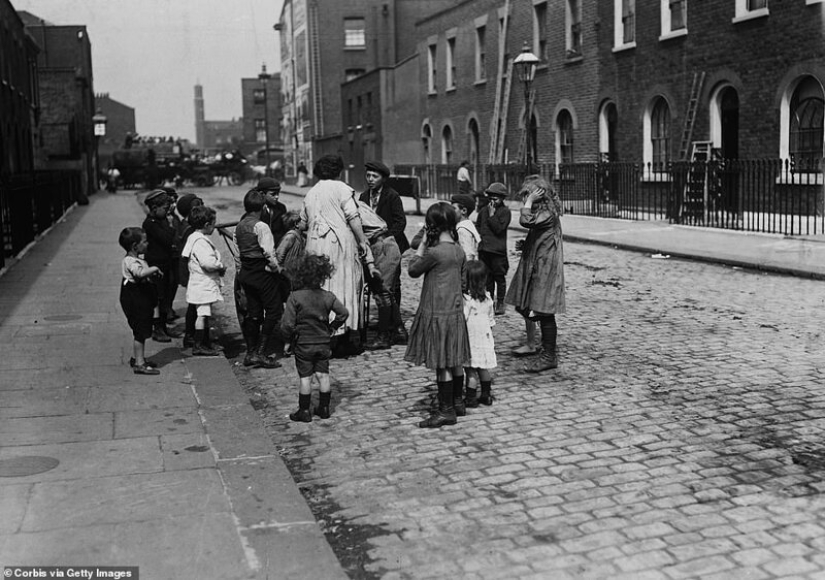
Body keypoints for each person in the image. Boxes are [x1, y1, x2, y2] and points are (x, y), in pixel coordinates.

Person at [299, 154, 380, 355]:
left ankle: (322, 335)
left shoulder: (311, 193)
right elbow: (353, 216)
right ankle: (342, 335)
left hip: (316, 244)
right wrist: (363, 241)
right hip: (339, 244)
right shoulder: (342, 188)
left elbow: (302, 222)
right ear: (339, 171)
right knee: (343, 284)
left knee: (320, 287)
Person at [404, 203, 471, 429]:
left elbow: (413, 270)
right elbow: (463, 283)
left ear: (431, 226)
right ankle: (458, 402)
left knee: (442, 363)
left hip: (436, 310)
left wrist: (421, 244)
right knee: (454, 359)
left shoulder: (433, 252)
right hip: (454, 311)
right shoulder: (458, 251)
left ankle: (446, 411)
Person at [505, 175, 566, 373]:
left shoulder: (547, 213)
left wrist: (529, 203)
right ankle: (540, 346)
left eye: (527, 196)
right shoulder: (544, 212)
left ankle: (549, 355)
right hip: (538, 263)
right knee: (525, 306)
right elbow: (539, 233)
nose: (524, 199)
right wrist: (528, 243)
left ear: (538, 197)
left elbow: (526, 221)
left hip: (545, 268)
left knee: (544, 311)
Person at [281, 254, 349, 423]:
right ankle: (324, 408)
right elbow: (343, 313)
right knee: (323, 375)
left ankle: (304, 411)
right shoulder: (328, 296)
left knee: (306, 378)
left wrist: (288, 339)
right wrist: (332, 327)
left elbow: (287, 324)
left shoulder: (295, 297)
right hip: (323, 342)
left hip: (304, 343)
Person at [359, 160, 409, 345]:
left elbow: (400, 222)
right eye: (368, 176)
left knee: (391, 286)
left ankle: (389, 328)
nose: (370, 179)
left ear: (383, 178)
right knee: (379, 286)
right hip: (373, 248)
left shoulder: (392, 196)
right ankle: (395, 327)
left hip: (389, 245)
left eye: (375, 176)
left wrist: (387, 238)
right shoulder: (364, 196)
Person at [234, 189, 284, 369]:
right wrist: (277, 269)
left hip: (247, 273)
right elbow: (269, 253)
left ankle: (250, 352)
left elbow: (238, 254)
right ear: (262, 207)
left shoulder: (240, 226)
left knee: (254, 312)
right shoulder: (261, 226)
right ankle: (262, 352)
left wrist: (242, 271)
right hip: (262, 273)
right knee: (274, 310)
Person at [181, 205, 226, 356]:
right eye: (213, 224)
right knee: (203, 314)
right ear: (207, 225)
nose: (214, 227)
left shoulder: (193, 237)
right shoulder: (201, 242)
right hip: (203, 284)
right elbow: (207, 263)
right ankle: (199, 344)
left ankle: (205, 342)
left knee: (204, 313)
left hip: (198, 282)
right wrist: (220, 266)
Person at [357, 199, 402, 350]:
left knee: (382, 293)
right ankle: (399, 330)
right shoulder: (358, 204)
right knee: (387, 292)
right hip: (388, 244)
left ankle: (383, 337)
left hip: (381, 246)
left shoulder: (351, 209)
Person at [118, 227, 162, 375]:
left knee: (141, 329)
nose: (147, 243)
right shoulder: (130, 261)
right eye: (144, 241)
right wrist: (155, 268)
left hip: (139, 297)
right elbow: (140, 273)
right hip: (135, 298)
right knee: (140, 332)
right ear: (135, 246)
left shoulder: (136, 257)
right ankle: (139, 363)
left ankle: (139, 358)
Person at [142, 190, 178, 342]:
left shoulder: (160, 220)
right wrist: (170, 226)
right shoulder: (150, 224)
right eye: (164, 208)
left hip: (165, 262)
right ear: (154, 208)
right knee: (158, 297)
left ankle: (163, 327)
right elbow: (167, 238)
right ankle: (157, 329)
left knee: (165, 296)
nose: (167, 211)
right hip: (156, 264)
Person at [462, 260, 497, 407]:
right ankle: (486, 395)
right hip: (485, 339)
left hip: (471, 339)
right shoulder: (488, 298)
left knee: (470, 371)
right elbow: (491, 320)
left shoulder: (467, 301)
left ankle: (471, 398)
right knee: (484, 369)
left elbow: (463, 318)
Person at [476, 182, 511, 316]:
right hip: (485, 250)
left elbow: (499, 229)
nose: (492, 201)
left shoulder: (505, 212)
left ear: (502, 198)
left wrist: (492, 216)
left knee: (499, 277)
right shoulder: (484, 210)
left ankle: (501, 302)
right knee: (487, 278)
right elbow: (478, 226)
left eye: (495, 199)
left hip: (497, 251)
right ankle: (489, 301)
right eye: (490, 198)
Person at [175, 193, 204, 348]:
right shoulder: (189, 230)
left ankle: (193, 335)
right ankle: (191, 336)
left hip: (191, 273)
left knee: (195, 306)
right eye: (197, 205)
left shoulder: (187, 226)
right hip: (192, 273)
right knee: (195, 307)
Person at [451, 193, 481, 262]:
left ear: (464, 211)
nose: (451, 211)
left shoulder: (462, 229)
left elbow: (468, 255)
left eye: (454, 208)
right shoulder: (469, 224)